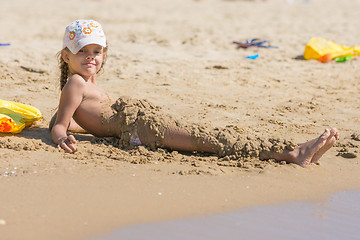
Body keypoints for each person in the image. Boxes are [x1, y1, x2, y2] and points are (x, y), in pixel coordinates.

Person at [50, 19, 339, 168]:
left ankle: (295, 151)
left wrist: (79, 125)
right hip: (138, 130)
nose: (91, 57)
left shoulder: (87, 85)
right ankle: (294, 152)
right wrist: (63, 137)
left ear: (104, 53)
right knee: (208, 140)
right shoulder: (76, 83)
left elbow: (74, 117)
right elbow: (61, 125)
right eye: (82, 52)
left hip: (144, 124)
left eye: (96, 51)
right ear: (66, 55)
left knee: (208, 135)